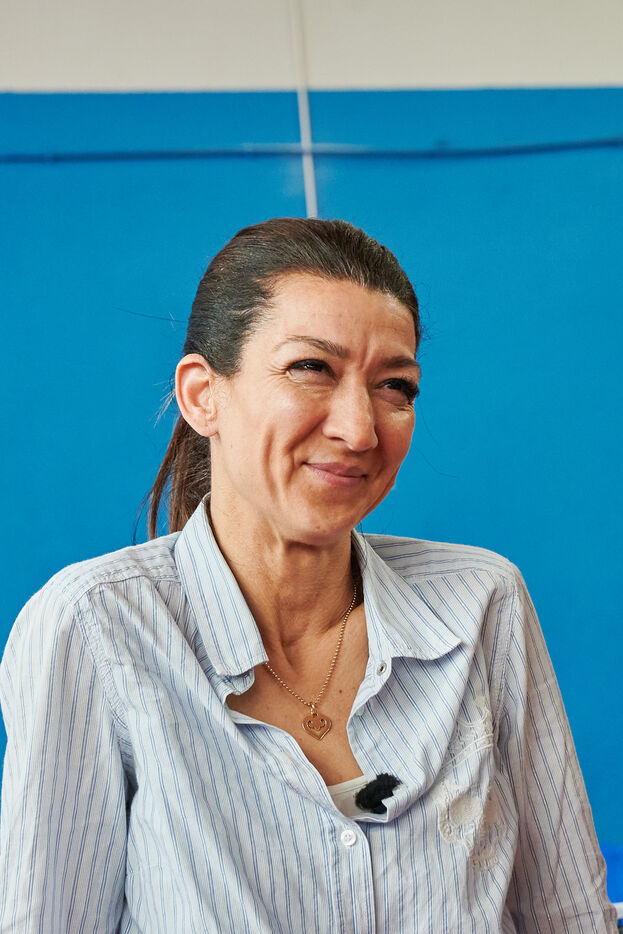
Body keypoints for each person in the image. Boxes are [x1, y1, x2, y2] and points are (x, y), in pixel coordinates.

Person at [0, 217, 616, 933]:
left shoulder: (481, 603)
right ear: (203, 396)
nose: (359, 429)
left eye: (395, 386)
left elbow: (569, 916)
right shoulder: (95, 627)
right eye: (311, 368)